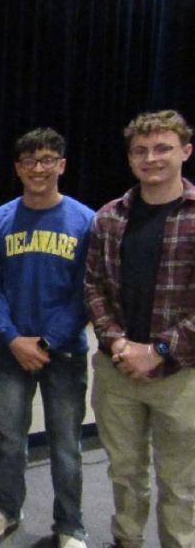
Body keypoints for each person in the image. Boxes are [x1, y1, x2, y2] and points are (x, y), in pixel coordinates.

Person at [0, 128, 93, 547]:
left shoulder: (86, 221)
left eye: (47, 160)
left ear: (61, 165)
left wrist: (45, 343)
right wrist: (11, 338)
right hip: (10, 352)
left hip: (62, 353)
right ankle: (8, 507)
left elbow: (86, 293)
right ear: (17, 169)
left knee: (66, 446)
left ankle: (71, 524)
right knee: (11, 439)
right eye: (29, 161)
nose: (38, 168)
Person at [84, 110, 195, 548]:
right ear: (131, 159)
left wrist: (160, 350)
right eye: (141, 151)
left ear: (186, 151)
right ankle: (126, 541)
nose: (152, 158)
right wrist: (118, 343)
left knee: (180, 485)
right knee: (125, 476)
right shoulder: (109, 217)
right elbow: (93, 286)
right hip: (118, 372)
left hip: (182, 376)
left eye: (163, 148)